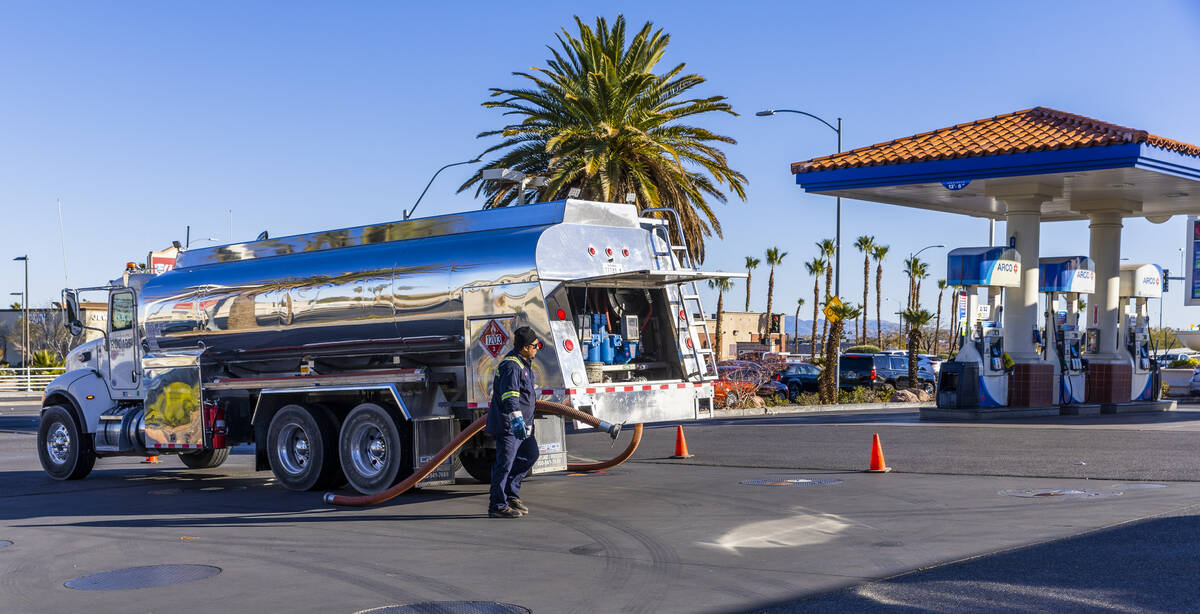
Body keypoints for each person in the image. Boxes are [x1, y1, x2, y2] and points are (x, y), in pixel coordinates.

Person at [485, 326, 541, 518]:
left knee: (530, 455)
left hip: (525, 425)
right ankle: (497, 505)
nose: (537, 348)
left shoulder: (523, 363)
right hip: (511, 425)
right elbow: (510, 396)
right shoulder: (511, 366)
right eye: (535, 345)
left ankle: (510, 493)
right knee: (504, 464)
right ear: (525, 347)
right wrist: (517, 419)